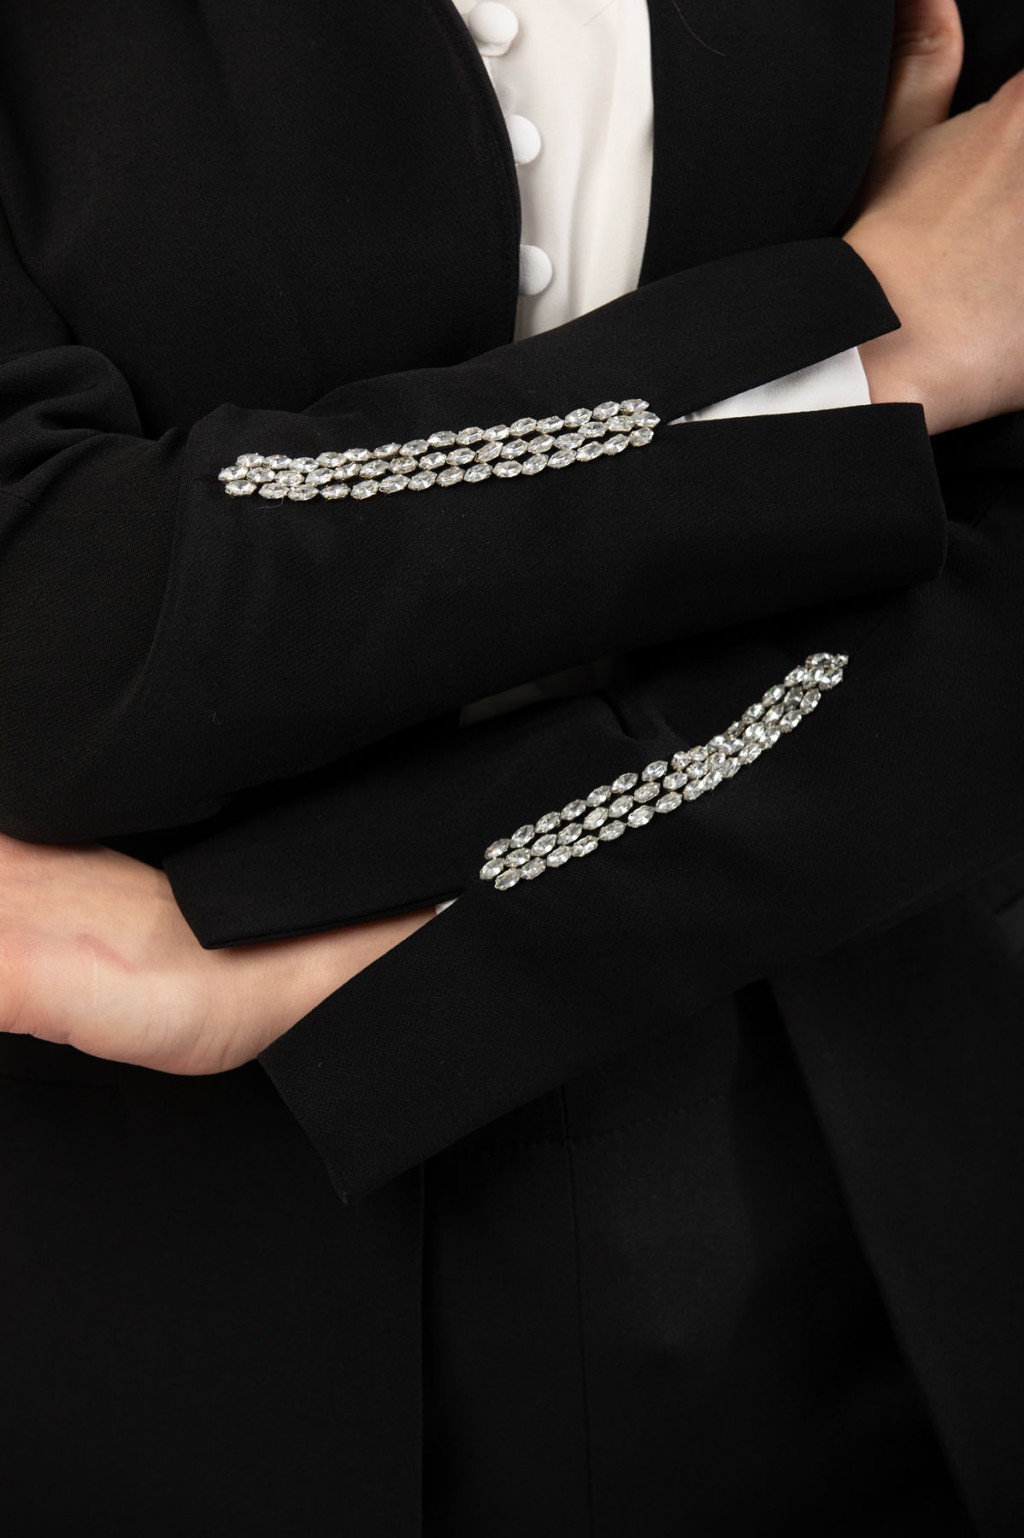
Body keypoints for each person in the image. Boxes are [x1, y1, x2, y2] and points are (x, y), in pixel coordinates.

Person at [0, 0, 1021, 1531]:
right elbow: (55, 643)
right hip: (155, 1319)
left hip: (886, 1266)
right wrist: (868, 344)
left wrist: (337, 934)